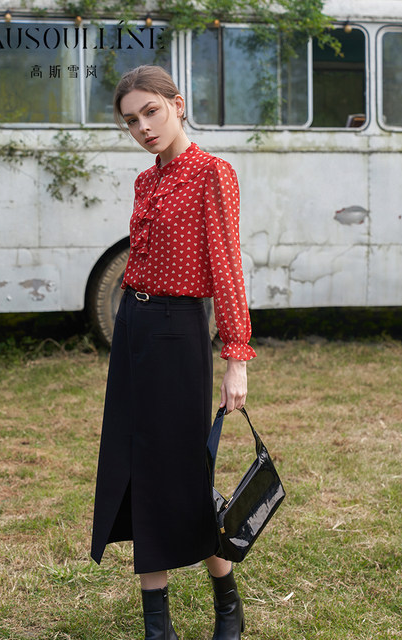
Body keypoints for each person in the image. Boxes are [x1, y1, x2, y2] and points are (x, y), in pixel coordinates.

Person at [91, 65, 257, 640]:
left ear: (177, 104)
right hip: (133, 327)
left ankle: (227, 603)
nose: (143, 127)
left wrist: (236, 358)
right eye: (131, 121)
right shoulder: (146, 181)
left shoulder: (213, 173)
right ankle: (156, 626)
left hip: (179, 331)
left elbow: (227, 267)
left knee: (184, 472)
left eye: (151, 112)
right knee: (136, 467)